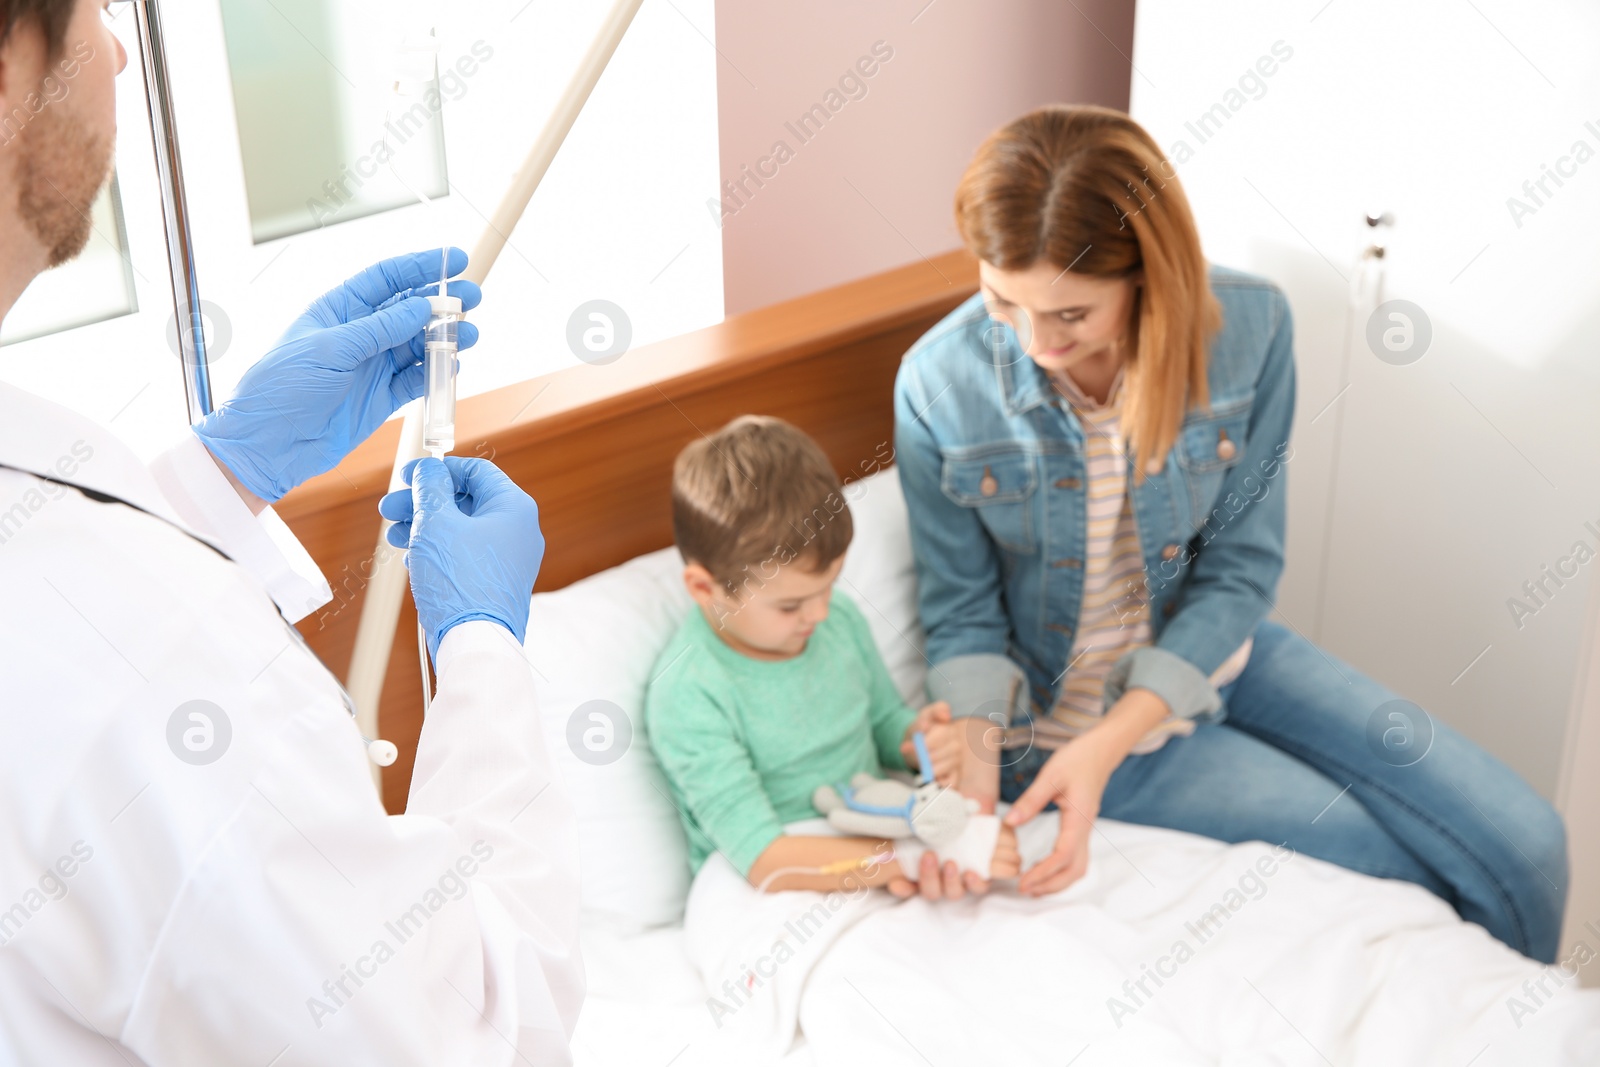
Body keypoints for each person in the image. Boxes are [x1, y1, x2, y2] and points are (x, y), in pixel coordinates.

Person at [0, 1, 581, 1061]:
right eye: (94, 9)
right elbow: (484, 1026)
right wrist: (482, 651)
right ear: (7, 72)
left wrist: (224, 474)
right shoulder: (160, 688)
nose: (121, 50)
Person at [892, 104, 1570, 962]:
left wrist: (1120, 731)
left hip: (1221, 657)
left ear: (1145, 272)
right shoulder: (937, 383)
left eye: (1070, 313)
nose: (1035, 342)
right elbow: (962, 614)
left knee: (1529, 843)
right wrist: (981, 787)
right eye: (1002, 301)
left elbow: (1241, 565)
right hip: (1064, 726)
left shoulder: (1251, 329)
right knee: (1406, 874)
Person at [644, 416, 1019, 896]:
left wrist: (914, 739)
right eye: (790, 605)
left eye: (828, 588)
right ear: (704, 587)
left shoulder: (837, 619)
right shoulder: (689, 691)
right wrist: (915, 858)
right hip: (767, 878)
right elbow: (763, 859)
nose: (819, 613)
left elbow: (882, 719)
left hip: (873, 838)